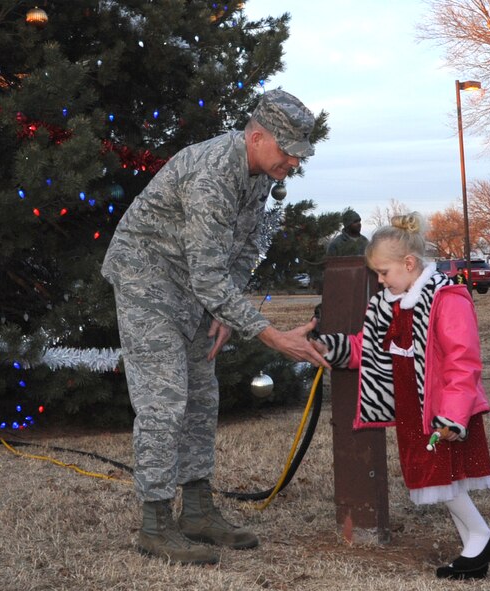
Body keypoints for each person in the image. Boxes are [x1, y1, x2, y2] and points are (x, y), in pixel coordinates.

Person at [101, 89, 330, 566]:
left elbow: (242, 251)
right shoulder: (211, 173)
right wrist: (268, 334)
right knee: (164, 400)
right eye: (286, 150)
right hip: (147, 278)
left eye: (297, 153)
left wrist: (224, 313)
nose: (292, 161)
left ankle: (198, 510)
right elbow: (208, 273)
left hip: (190, 289)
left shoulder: (260, 177)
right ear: (257, 136)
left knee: (203, 397)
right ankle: (156, 523)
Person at [312, 212, 490, 580]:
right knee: (438, 478)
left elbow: (464, 361)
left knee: (443, 476)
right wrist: (328, 348)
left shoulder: (447, 298)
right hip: (411, 408)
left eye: (383, 272)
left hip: (442, 408)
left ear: (409, 264)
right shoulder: (387, 304)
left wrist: (452, 416)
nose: (379, 280)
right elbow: (366, 348)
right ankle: (474, 546)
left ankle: (480, 538)